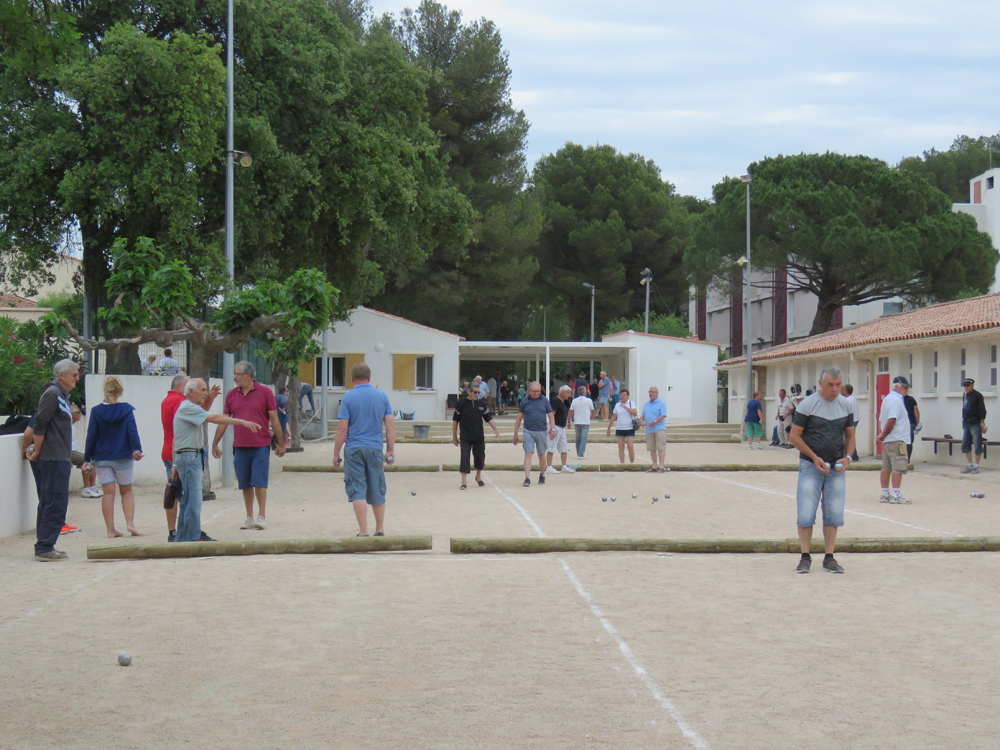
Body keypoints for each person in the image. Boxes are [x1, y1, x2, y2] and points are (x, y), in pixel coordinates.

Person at [172, 379, 260, 542]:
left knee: (188, 499)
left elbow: (203, 414)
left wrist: (210, 398)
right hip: (189, 456)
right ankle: (193, 536)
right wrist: (241, 421)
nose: (206, 393)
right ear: (191, 391)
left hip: (190, 455)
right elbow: (212, 417)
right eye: (203, 390)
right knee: (194, 499)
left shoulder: (189, 408)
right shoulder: (187, 407)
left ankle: (184, 537)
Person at [788, 365, 854, 574]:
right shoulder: (807, 405)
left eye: (838, 385)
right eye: (830, 385)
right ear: (820, 384)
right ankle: (805, 556)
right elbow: (794, 436)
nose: (835, 389)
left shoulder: (845, 405)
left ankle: (829, 557)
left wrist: (848, 457)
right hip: (810, 466)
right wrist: (814, 457)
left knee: (833, 514)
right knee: (806, 513)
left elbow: (850, 436)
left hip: (836, 467)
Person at [212, 361, 285, 532]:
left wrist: (281, 443)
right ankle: (249, 517)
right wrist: (215, 442)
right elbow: (223, 420)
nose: (235, 377)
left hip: (261, 444)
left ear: (249, 376)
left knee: (259, 482)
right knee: (245, 484)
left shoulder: (265, 393)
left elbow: (274, 420)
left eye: (237, 374)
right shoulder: (231, 395)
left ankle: (262, 516)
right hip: (240, 445)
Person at [332, 362, 395, 537]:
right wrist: (390, 450)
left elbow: (342, 429)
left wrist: (336, 453)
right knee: (377, 488)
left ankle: (363, 531)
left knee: (358, 490)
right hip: (375, 448)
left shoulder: (348, 398)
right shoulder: (382, 396)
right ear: (369, 378)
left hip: (354, 449)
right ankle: (380, 529)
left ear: (351, 379)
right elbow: (390, 426)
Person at [27, 359, 79, 561]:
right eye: (74, 374)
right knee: (55, 502)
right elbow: (40, 424)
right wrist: (38, 450)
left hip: (59, 457)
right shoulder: (53, 394)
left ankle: (45, 544)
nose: (77, 378)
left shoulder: (61, 396)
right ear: (61, 375)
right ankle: (45, 547)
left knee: (51, 500)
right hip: (52, 457)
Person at [160, 374, 220, 542]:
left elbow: (199, 415)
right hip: (181, 452)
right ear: (181, 387)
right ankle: (189, 533)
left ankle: (175, 533)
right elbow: (201, 416)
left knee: (176, 494)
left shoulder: (167, 401)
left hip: (173, 452)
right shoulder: (181, 403)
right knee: (188, 496)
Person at [83, 376, 145, 538]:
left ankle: (110, 530)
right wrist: (136, 449)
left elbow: (91, 436)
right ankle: (130, 524)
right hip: (123, 456)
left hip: (102, 457)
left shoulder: (96, 411)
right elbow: (132, 430)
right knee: (127, 491)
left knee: (108, 493)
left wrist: (87, 459)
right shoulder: (126, 409)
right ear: (119, 391)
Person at [452, 381, 500, 488]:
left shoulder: (481, 404)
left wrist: (495, 428)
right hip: (465, 436)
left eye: (478, 392)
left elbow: (488, 418)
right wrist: (454, 437)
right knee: (464, 457)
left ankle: (478, 476)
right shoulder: (461, 404)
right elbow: (455, 421)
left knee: (480, 457)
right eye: (475, 392)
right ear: (468, 391)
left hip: (478, 436)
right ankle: (464, 481)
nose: (477, 394)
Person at [876, 376, 912, 504]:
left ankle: (885, 493)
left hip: (888, 440)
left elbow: (880, 418)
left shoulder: (887, 399)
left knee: (886, 467)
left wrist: (881, 434)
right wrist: (883, 435)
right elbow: (892, 420)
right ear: (897, 386)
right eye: (905, 387)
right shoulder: (896, 400)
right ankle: (896, 494)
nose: (907, 390)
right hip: (897, 439)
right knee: (898, 466)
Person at [512, 381, 555, 487]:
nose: (537, 393)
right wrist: (516, 433)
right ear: (529, 391)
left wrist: (552, 429)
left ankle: (542, 474)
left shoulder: (544, 400)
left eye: (539, 391)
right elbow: (519, 418)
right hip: (528, 430)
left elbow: (551, 415)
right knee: (528, 453)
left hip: (541, 430)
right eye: (535, 391)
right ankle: (527, 478)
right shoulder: (524, 401)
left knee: (541, 454)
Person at [545, 385, 576, 475]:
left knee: (564, 448)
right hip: (556, 427)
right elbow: (551, 414)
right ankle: (549, 467)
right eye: (568, 393)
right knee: (551, 447)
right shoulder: (555, 401)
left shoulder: (563, 402)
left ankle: (564, 466)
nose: (569, 395)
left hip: (562, 428)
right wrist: (552, 428)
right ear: (562, 393)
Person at [961, 378, 988, 474]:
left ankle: (976, 466)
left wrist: (982, 424)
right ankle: (970, 465)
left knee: (977, 443)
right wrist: (963, 419)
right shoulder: (965, 395)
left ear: (972, 385)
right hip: (966, 423)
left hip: (975, 423)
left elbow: (982, 411)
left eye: (968, 385)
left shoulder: (977, 395)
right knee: (966, 443)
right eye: (964, 385)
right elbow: (964, 408)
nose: (966, 387)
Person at [640, 386, 668, 472]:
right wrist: (641, 420)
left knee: (661, 448)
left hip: (659, 428)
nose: (651, 394)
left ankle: (661, 466)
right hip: (649, 429)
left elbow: (663, 415)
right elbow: (643, 415)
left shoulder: (661, 403)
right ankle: (654, 465)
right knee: (651, 448)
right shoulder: (646, 404)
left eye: (653, 392)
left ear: (657, 393)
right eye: (649, 392)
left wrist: (655, 422)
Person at [607, 387, 638, 464]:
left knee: (630, 446)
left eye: (624, 395)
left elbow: (635, 413)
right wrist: (609, 428)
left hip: (629, 428)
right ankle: (622, 463)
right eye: (622, 395)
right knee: (621, 447)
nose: (623, 396)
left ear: (628, 396)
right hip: (620, 428)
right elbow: (614, 416)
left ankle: (632, 462)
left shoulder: (631, 403)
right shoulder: (617, 405)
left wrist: (625, 407)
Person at [569, 386, 595, 459]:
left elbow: (571, 411)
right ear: (585, 392)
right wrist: (591, 416)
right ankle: (581, 453)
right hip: (585, 422)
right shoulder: (589, 400)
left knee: (578, 438)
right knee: (583, 438)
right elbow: (593, 410)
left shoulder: (574, 400)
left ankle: (578, 452)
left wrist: (568, 420)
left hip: (577, 421)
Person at [843, 384, 860, 460]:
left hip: (851, 421)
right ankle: (853, 455)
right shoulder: (853, 398)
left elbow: (848, 412)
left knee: (848, 438)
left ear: (846, 391)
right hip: (855, 419)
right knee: (850, 437)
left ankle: (852, 455)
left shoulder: (848, 400)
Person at [903, 387, 920, 462]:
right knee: (909, 441)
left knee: (901, 441)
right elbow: (916, 411)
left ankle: (903, 458)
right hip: (911, 423)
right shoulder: (911, 399)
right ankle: (908, 458)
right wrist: (917, 423)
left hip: (902, 424)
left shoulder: (897, 400)